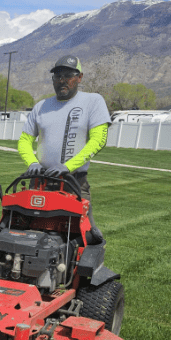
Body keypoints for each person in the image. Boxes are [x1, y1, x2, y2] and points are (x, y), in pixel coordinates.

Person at [18, 54, 111, 234]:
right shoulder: (41, 106)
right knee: (27, 232)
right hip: (40, 181)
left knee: (85, 235)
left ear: (79, 77)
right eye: (58, 76)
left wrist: (68, 166)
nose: (63, 81)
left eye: (68, 76)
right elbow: (24, 141)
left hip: (74, 182)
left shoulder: (93, 101)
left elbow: (99, 140)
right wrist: (32, 163)